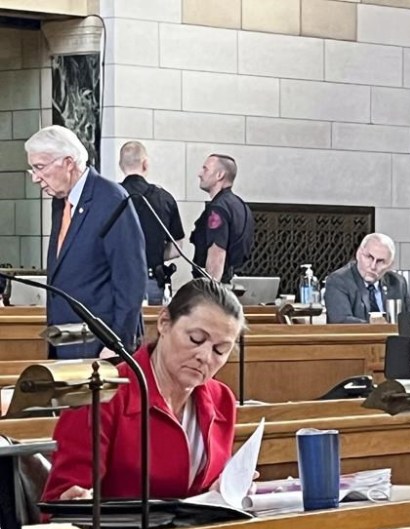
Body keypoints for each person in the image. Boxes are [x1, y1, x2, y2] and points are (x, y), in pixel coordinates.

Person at [42, 279, 245, 502]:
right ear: (164, 322)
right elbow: (57, 507)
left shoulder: (221, 399)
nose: (205, 357)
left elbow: (201, 493)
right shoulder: (101, 394)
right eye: (196, 339)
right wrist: (73, 501)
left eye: (220, 350)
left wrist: (224, 490)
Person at [25, 125, 147, 359]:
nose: (35, 178)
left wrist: (116, 344)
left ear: (68, 162)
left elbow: (131, 278)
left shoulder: (111, 199)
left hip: (100, 347)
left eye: (40, 167)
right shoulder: (61, 201)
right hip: (65, 340)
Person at [119, 141, 185, 305]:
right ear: (145, 164)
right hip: (152, 281)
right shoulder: (164, 198)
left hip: (118, 280)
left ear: (121, 165)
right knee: (152, 328)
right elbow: (177, 248)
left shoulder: (110, 196)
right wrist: (154, 253)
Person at [323, 233, 410, 323]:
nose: (373, 266)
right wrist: (377, 326)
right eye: (369, 257)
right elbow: (341, 321)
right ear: (358, 254)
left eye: (380, 261)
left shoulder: (398, 282)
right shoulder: (338, 281)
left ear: (390, 265)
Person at [191, 154, 254, 283]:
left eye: (205, 169)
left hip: (219, 289)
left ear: (219, 175)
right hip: (236, 285)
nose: (200, 174)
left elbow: (217, 254)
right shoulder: (241, 206)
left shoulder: (218, 209)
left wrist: (210, 293)